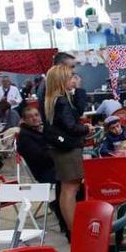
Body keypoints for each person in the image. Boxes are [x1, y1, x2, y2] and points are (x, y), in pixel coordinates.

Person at [42, 64, 90, 235]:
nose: (74, 80)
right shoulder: (61, 100)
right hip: (67, 149)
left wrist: (78, 91)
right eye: (71, 77)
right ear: (62, 80)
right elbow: (71, 125)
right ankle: (75, 228)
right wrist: (87, 129)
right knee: (70, 189)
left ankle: (73, 227)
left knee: (67, 188)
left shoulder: (53, 99)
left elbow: (75, 113)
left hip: (59, 148)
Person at [16, 106, 69, 235]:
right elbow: (41, 157)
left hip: (53, 167)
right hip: (46, 173)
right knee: (72, 180)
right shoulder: (25, 137)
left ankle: (68, 210)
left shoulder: (37, 131)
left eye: (36, 115)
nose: (35, 118)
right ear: (24, 120)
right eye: (31, 117)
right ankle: (66, 217)